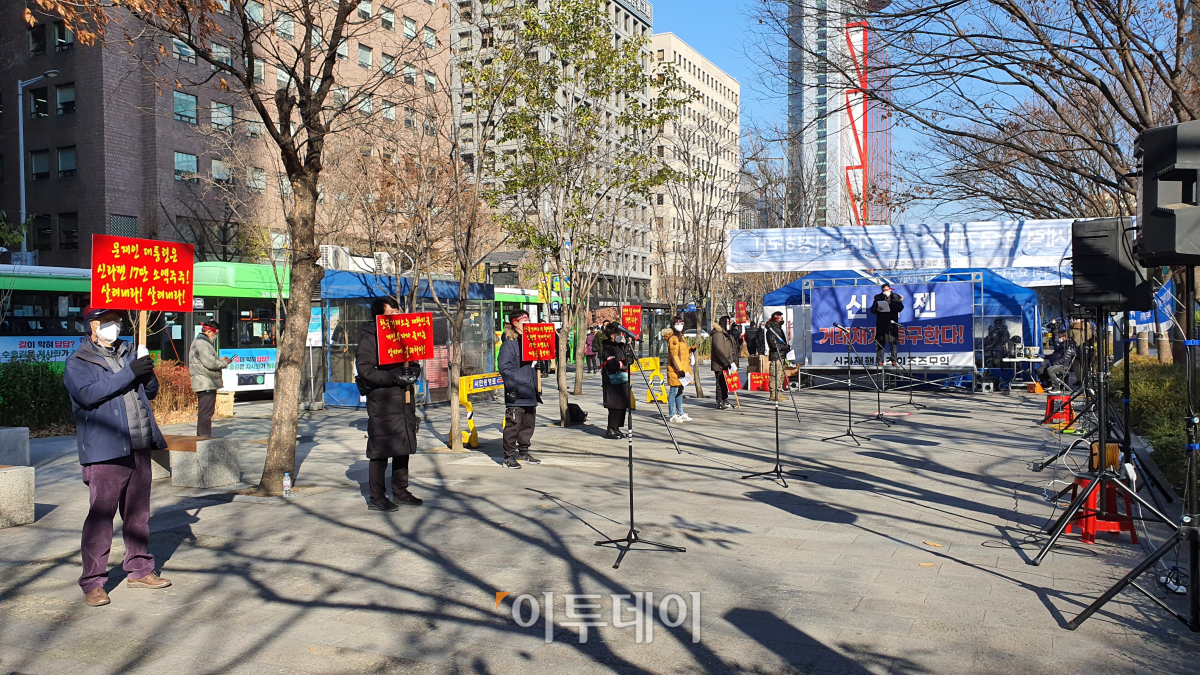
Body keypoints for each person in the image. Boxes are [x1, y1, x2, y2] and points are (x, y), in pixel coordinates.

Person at [64, 307, 170, 607]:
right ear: (93, 326)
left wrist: (146, 372)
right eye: (108, 321)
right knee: (101, 517)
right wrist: (129, 372)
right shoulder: (79, 362)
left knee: (138, 515)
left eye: (118, 321)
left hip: (138, 445)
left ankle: (140, 569)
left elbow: (149, 392)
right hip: (105, 450)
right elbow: (87, 395)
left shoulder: (128, 353)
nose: (115, 326)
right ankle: (93, 582)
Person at [355, 298, 424, 511]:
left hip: (404, 399)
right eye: (390, 311)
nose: (395, 313)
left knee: (403, 445)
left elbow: (414, 363)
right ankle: (377, 497)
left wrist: (411, 374)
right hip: (383, 401)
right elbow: (366, 370)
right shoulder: (371, 337)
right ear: (379, 315)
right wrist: (395, 377)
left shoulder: (404, 333)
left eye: (396, 309)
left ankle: (400, 491)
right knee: (381, 449)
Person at [497, 310, 541, 469]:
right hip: (516, 392)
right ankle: (508, 457)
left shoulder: (530, 341)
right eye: (525, 321)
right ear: (515, 323)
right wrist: (512, 386)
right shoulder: (509, 343)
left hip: (530, 390)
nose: (528, 324)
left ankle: (523, 452)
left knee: (528, 425)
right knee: (513, 425)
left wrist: (538, 366)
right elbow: (504, 367)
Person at [189, 320, 231, 437]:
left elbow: (208, 361)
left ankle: (203, 437)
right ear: (208, 332)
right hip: (205, 382)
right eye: (215, 333)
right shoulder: (203, 344)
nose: (215, 336)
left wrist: (220, 360)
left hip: (204, 381)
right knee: (206, 413)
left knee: (205, 412)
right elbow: (211, 363)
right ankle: (204, 438)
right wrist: (224, 363)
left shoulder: (201, 342)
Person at [600, 323, 635, 438]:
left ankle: (617, 428)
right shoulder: (608, 347)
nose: (620, 335)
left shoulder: (620, 345)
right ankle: (611, 429)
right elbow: (612, 364)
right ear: (611, 335)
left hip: (622, 378)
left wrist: (629, 345)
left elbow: (629, 357)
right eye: (618, 333)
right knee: (614, 406)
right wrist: (623, 364)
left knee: (622, 405)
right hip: (612, 380)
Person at [665, 316, 692, 422]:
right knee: (673, 391)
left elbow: (682, 352)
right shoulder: (673, 338)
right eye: (677, 323)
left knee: (680, 391)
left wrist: (690, 350)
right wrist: (679, 370)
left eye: (681, 322)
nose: (679, 324)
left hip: (683, 368)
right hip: (675, 370)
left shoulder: (681, 336)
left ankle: (680, 413)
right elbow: (674, 356)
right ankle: (672, 414)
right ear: (673, 325)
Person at [870, 283, 904, 365]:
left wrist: (891, 303)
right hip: (881, 323)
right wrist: (877, 309)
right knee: (880, 342)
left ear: (890, 289)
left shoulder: (895, 297)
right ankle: (880, 360)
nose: (885, 291)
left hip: (892, 323)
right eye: (883, 290)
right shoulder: (878, 297)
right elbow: (872, 309)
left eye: (887, 289)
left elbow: (900, 308)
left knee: (893, 342)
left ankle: (894, 360)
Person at [710, 316, 738, 410]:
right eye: (727, 322)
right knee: (720, 383)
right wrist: (727, 362)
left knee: (725, 383)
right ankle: (720, 401)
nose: (729, 323)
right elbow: (719, 350)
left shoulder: (726, 334)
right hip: (720, 363)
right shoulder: (718, 334)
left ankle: (725, 399)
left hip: (727, 362)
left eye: (729, 321)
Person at [764, 311, 791, 401]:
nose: (782, 319)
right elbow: (773, 345)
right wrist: (784, 347)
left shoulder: (778, 329)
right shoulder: (771, 330)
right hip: (776, 356)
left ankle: (778, 392)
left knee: (780, 375)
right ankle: (773, 393)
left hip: (781, 356)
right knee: (774, 375)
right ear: (776, 318)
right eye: (780, 318)